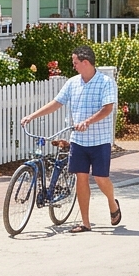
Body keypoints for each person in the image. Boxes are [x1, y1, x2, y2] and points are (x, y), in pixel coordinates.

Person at [20, 49, 122, 231]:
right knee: (81, 178)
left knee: (101, 178)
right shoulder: (72, 83)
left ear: (85, 62)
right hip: (78, 141)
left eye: (75, 62)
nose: (73, 65)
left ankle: (112, 203)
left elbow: (108, 109)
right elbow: (56, 102)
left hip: (100, 140)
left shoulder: (106, 82)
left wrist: (88, 121)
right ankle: (85, 223)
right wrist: (32, 116)